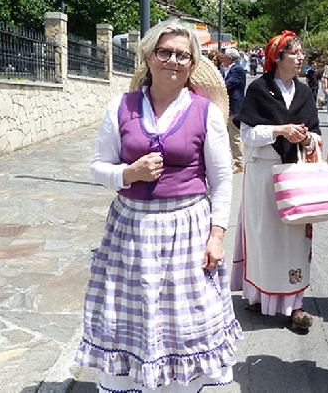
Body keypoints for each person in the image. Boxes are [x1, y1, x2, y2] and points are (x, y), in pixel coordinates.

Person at [75, 20, 243, 393]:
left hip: (188, 228)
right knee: (132, 318)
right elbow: (97, 167)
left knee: (186, 320)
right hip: (131, 230)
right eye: (164, 52)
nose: (173, 61)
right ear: (149, 57)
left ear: (192, 63)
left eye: (183, 55)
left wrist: (217, 236)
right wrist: (129, 173)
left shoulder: (205, 112)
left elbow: (222, 179)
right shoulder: (122, 106)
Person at [231, 30, 322, 332]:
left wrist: (307, 138)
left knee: (295, 238)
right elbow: (247, 135)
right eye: (294, 53)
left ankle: (294, 304)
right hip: (263, 175)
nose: (301, 58)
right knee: (263, 237)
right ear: (277, 58)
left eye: (300, 53)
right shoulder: (259, 89)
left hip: (293, 173)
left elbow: (316, 137)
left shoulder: (305, 92)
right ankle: (256, 294)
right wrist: (279, 130)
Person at [222, 48, 247, 173]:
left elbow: (227, 85)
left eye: (224, 57)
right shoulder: (229, 69)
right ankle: (235, 161)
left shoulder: (237, 69)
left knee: (235, 136)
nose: (222, 59)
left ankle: (239, 163)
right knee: (228, 136)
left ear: (230, 58)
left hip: (234, 107)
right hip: (228, 106)